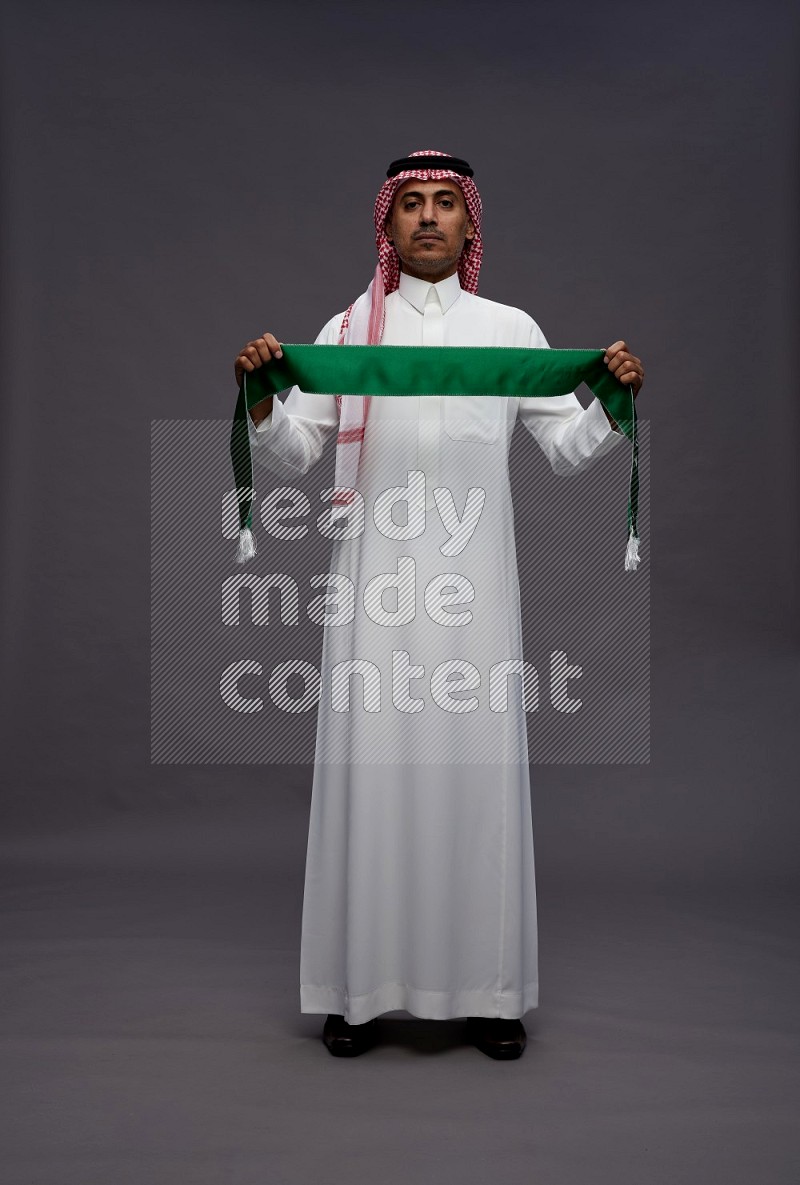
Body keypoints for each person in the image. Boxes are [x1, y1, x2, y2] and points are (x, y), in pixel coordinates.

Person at [234, 150, 644, 1060]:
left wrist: (613, 395)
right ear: (387, 225)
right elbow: (297, 450)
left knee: (476, 775)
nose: (427, 218)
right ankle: (357, 989)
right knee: (369, 773)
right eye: (410, 204)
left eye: (444, 205)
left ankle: (490, 994)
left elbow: (569, 449)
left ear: (470, 226)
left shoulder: (510, 329)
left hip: (475, 598)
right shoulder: (348, 331)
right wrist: (263, 397)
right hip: (371, 586)